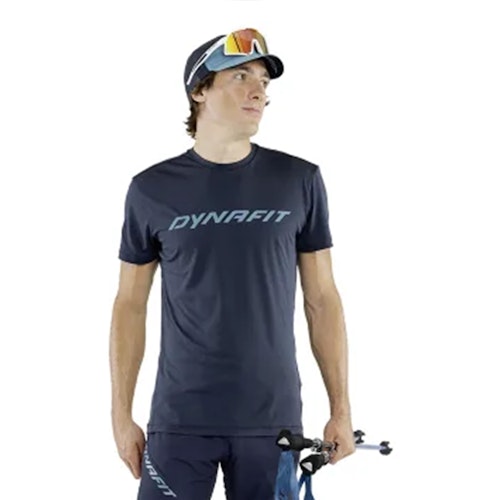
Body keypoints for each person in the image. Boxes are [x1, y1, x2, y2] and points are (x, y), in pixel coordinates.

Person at [109, 27, 355, 500]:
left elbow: (322, 299)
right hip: (180, 420)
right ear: (199, 91)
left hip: (273, 422)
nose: (258, 90)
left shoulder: (299, 180)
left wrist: (340, 409)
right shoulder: (151, 189)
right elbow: (129, 305)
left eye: (263, 80)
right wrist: (121, 416)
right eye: (241, 76)